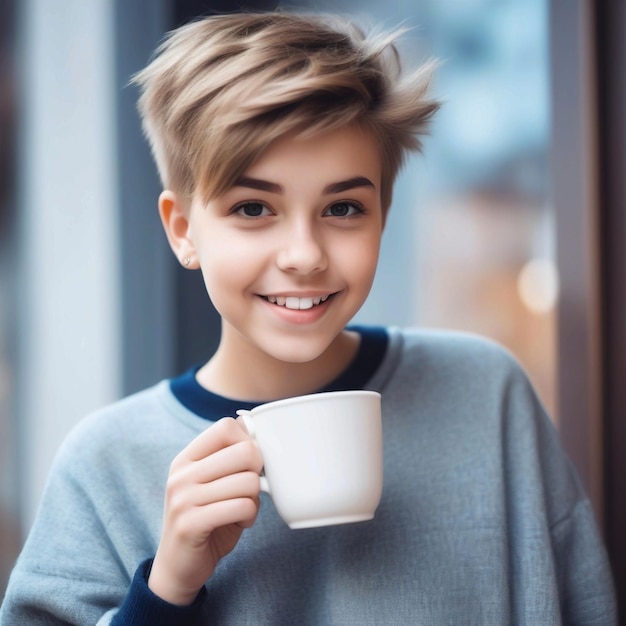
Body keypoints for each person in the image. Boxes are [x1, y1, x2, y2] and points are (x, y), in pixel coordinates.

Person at [0, 11, 617, 625]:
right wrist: (164, 593)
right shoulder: (104, 466)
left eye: (343, 207)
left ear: (384, 215)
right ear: (184, 231)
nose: (304, 256)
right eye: (252, 208)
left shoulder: (486, 395)